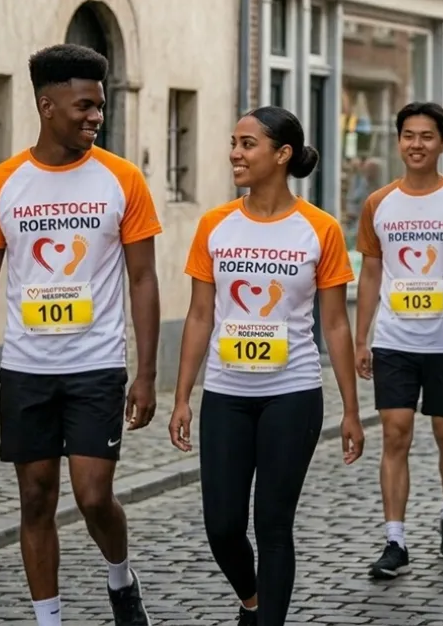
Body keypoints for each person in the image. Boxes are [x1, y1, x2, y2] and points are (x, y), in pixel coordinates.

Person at [0, 43, 161, 626]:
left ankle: (120, 577)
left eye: (101, 106)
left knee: (94, 495)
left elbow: (142, 279)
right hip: (26, 367)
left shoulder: (122, 180)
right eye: (84, 106)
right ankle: (49, 619)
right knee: (37, 497)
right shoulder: (1, 184)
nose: (96, 116)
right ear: (47, 106)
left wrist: (146, 373)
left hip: (96, 364)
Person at [169, 105, 365, 626]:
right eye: (233, 142)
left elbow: (336, 326)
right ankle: (251, 600)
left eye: (247, 143)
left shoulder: (319, 229)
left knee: (274, 526)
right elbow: (199, 314)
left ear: (281, 155)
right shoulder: (215, 225)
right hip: (227, 394)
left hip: (293, 392)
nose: (235, 152)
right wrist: (184, 395)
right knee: (224, 526)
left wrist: (350, 409)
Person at [354, 101, 443, 578]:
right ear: (398, 141)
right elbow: (371, 273)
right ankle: (395, 540)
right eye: (408, 135)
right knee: (395, 434)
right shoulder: (378, 203)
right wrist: (362, 337)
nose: (417, 144)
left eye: (426, 136)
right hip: (395, 340)